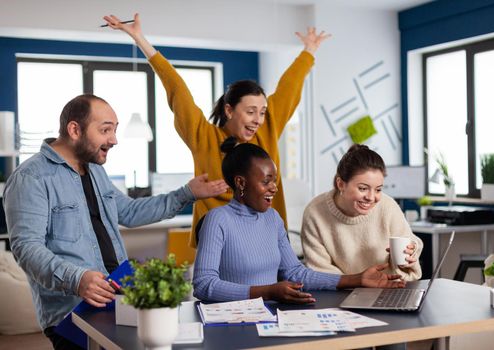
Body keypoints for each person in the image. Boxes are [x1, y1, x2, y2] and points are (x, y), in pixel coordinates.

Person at [2, 94, 228, 350]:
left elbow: (129, 212)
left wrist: (187, 194)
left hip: (120, 298)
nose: (114, 139)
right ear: (74, 129)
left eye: (115, 130)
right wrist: (77, 279)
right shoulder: (30, 178)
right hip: (72, 311)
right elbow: (26, 248)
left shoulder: (95, 170)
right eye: (105, 130)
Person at [102, 13, 331, 247]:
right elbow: (177, 90)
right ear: (229, 110)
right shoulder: (204, 136)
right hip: (219, 245)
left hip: (266, 241)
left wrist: (309, 51)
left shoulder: (267, 129)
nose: (258, 119)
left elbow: (289, 87)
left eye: (262, 112)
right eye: (251, 112)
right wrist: (140, 39)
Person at [192, 138, 406, 303]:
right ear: (240, 183)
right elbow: (204, 285)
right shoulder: (217, 220)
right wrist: (266, 292)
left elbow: (295, 272)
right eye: (266, 182)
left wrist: (357, 279)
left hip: (270, 317)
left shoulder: (273, 219)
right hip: (230, 320)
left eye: (274, 180)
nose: (274, 188)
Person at [301, 144, 423, 281]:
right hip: (341, 292)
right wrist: (358, 281)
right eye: (363, 188)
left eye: (378, 189)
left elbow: (411, 241)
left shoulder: (387, 206)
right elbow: (319, 269)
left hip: (389, 287)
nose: (371, 197)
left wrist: (411, 251)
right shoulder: (315, 212)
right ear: (341, 184)